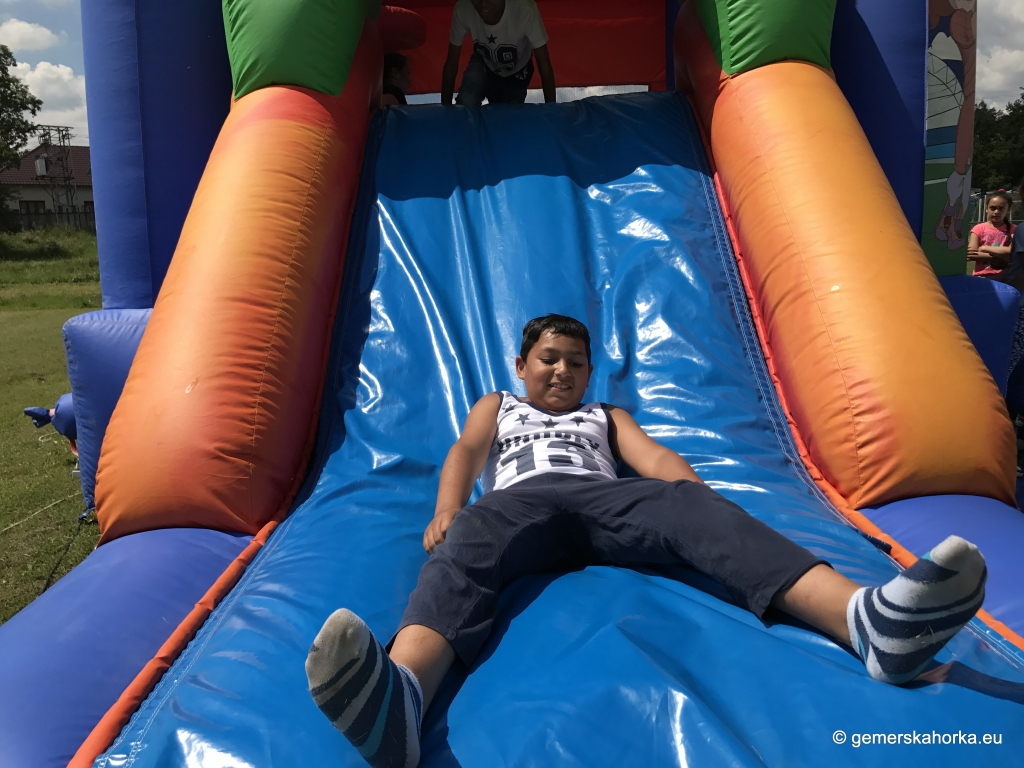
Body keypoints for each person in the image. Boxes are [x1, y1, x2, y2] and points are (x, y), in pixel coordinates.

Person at [306, 315, 988, 768]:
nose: (561, 372)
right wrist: (450, 507)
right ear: (521, 364)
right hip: (519, 502)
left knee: (687, 506)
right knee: (471, 541)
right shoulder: (499, 405)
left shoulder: (604, 414)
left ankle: (867, 622)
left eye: (576, 363)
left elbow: (654, 459)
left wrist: (696, 497)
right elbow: (466, 449)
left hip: (603, 499)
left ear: (589, 375)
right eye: (548, 359)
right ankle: (404, 696)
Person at [441, 0, 555, 107]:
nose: (483, 4)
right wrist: (445, 110)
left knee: (506, 115)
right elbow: (451, 63)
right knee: (467, 99)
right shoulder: (463, 9)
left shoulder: (525, 10)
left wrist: (551, 110)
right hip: (484, 62)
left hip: (517, 72)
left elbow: (544, 66)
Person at [968, 190, 1015, 276]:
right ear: (986, 209)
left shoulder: (1014, 229)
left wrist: (984, 248)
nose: (996, 212)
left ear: (1008, 210)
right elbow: (971, 254)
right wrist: (996, 257)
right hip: (981, 276)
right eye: (993, 208)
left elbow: (1012, 250)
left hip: (1005, 276)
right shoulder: (978, 228)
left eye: (1001, 208)